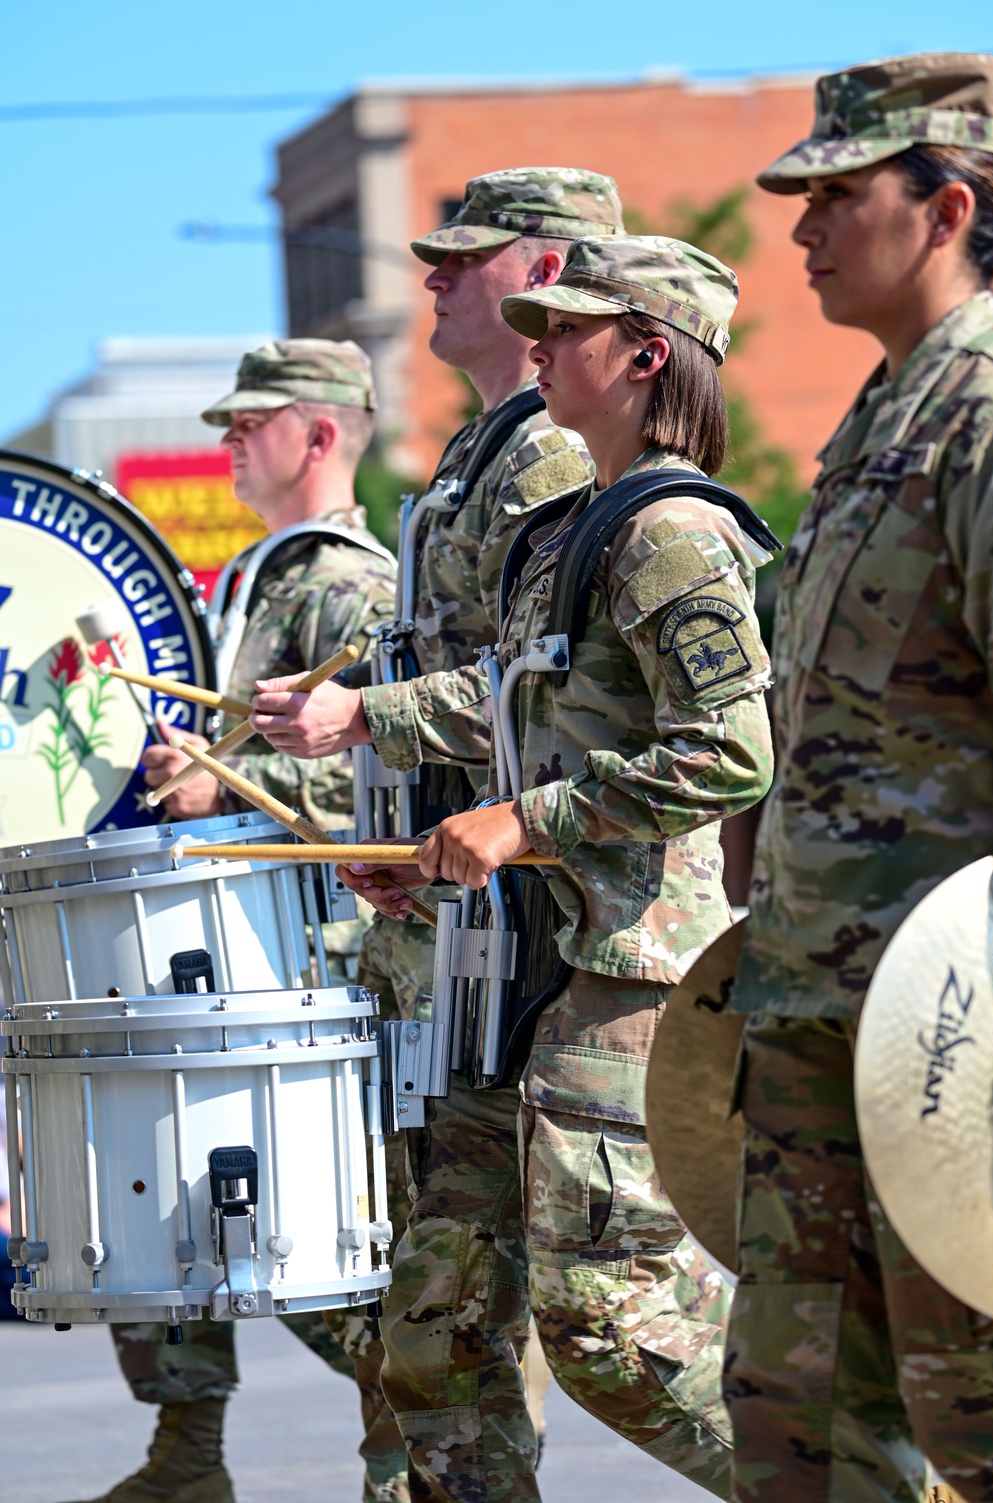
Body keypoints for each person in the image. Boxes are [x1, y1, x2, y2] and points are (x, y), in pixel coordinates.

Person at [325, 234, 775, 1501]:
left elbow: (729, 753)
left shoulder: (675, 531)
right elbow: (525, 718)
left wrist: (523, 827)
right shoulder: (573, 530)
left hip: (623, 975)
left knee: (614, 1332)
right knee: (443, 1323)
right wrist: (442, 858)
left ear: (644, 354)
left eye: (566, 323)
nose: (536, 341)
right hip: (516, 958)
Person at [248, 169, 623, 1492]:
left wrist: (364, 714)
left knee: (618, 1338)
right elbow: (472, 677)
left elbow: (541, 692)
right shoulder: (479, 450)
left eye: (469, 257)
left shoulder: (555, 449)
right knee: (439, 1331)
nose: (436, 277)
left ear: (554, 271)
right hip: (460, 931)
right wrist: (402, 830)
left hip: (556, 948)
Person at [720, 52, 993, 1503]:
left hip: (952, 1047)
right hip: (817, 1022)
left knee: (980, 1425)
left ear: (945, 206)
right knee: (795, 1423)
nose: (804, 227)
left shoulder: (987, 414)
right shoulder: (874, 423)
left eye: (839, 193)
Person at [71, 340, 404, 1503]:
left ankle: (412, 1458)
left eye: (247, 421)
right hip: (225, 950)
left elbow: (387, 784)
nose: (225, 441)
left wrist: (222, 786)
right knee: (159, 1214)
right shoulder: (256, 578)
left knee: (299, 1250)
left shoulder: (345, 585)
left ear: (318, 435)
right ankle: (188, 1458)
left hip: (312, 956)